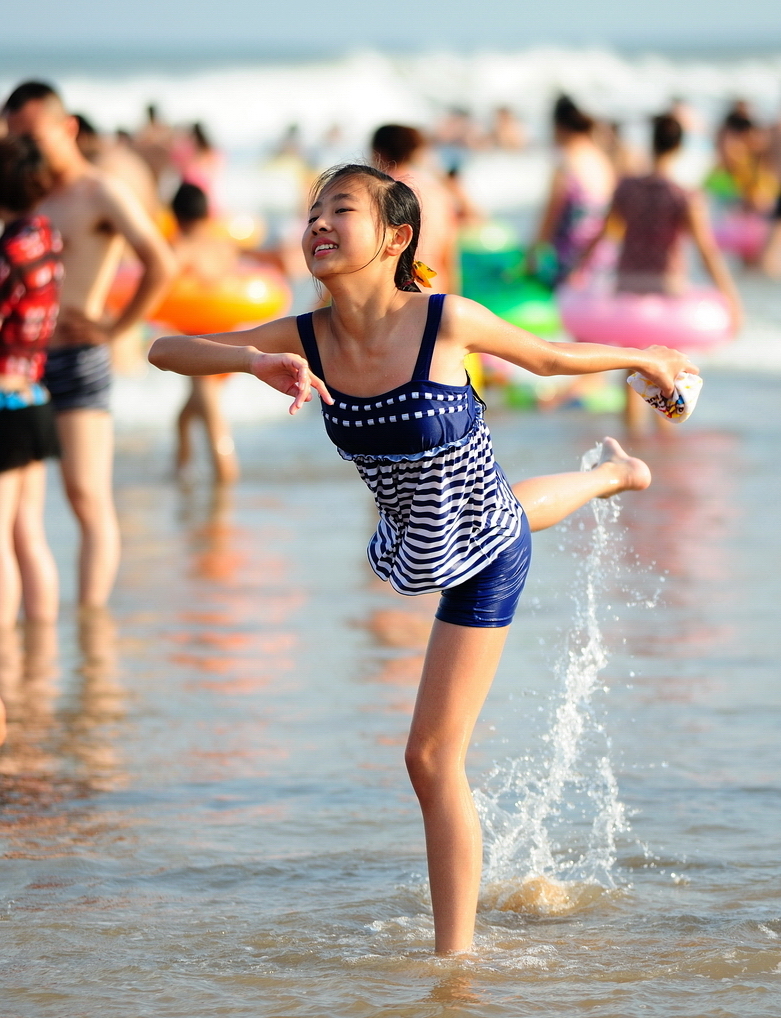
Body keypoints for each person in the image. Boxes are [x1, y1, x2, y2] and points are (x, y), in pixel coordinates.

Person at [148, 163, 697, 954]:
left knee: (430, 756)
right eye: (311, 214)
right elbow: (167, 350)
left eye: (340, 209)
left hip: (481, 553)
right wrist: (250, 362)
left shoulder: (445, 321)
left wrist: (640, 359)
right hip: (418, 537)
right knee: (511, 508)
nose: (317, 225)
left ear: (396, 237)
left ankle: (455, 961)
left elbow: (545, 357)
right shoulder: (304, 338)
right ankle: (608, 475)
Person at [3, 81, 177, 609]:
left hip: (77, 357)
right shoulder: (22, 193)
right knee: (21, 514)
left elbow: (160, 263)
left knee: (86, 496)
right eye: (13, 137)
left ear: (67, 128)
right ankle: (31, 637)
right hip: (19, 367)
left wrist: (115, 328)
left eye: (30, 136)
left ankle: (92, 625)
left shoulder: (100, 191)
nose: (22, 148)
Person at [573, 114, 740, 430]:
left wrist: (577, 271)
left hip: (626, 285)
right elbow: (707, 252)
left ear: (652, 142)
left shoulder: (627, 187)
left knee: (632, 369)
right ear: (680, 147)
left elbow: (602, 233)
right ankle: (662, 443)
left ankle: (633, 438)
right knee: (667, 373)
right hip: (666, 289)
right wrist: (731, 299)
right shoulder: (683, 196)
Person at [0, 135, 62, 630]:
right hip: (35, 398)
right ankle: (41, 652)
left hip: (3, 402)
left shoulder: (9, 249)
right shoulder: (46, 234)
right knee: (29, 533)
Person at [169, 181, 240, 483]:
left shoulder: (180, 248)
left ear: (176, 216)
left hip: (201, 344)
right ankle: (180, 473)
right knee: (184, 418)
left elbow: (160, 283)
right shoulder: (223, 245)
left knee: (214, 424)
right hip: (229, 337)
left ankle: (226, 482)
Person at [531, 95, 616, 285]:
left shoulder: (566, 163)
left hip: (570, 264)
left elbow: (549, 217)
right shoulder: (602, 160)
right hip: (603, 260)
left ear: (559, 127)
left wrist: (530, 258)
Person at [372, 124, 459, 293]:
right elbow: (449, 256)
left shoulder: (372, 192)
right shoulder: (438, 192)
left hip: (384, 298)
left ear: (377, 152)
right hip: (432, 291)